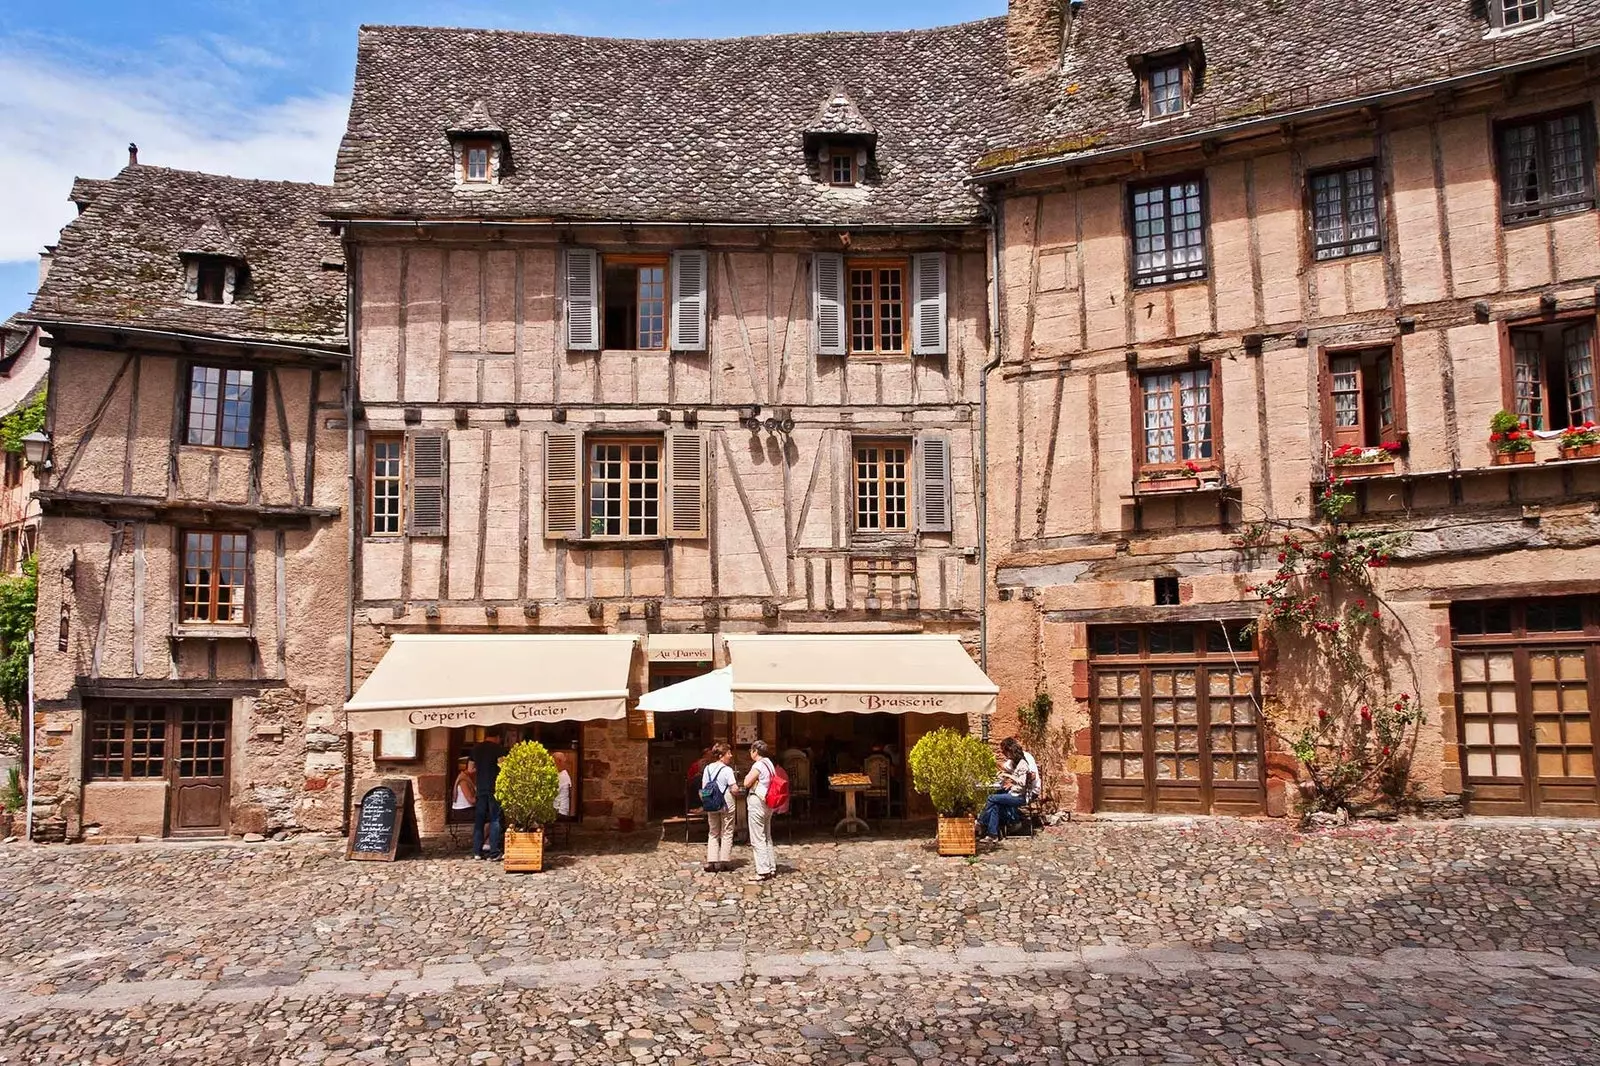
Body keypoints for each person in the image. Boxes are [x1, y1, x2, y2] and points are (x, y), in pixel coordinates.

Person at [978, 737, 1039, 840]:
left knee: (991, 798)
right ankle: (993, 834)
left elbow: (1028, 779)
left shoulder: (1024, 762)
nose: (1003, 754)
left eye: (1004, 752)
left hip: (1024, 794)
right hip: (1017, 791)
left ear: (1010, 750)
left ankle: (981, 822)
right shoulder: (1015, 761)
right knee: (996, 802)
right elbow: (1006, 768)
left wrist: (1013, 780)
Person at [739, 739, 778, 881]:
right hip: (768, 802)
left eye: (751, 750)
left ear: (755, 751)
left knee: (757, 837)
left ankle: (763, 870)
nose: (750, 753)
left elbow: (746, 782)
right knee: (767, 836)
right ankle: (771, 866)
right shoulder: (770, 764)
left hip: (758, 802)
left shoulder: (758, 765)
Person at [469, 730, 507, 859]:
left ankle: (476, 852)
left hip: (480, 788)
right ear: (497, 737)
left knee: (479, 819)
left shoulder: (476, 749)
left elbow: (470, 769)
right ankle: (494, 851)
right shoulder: (498, 749)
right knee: (495, 819)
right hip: (494, 788)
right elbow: (504, 766)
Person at [700, 743, 737, 873]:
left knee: (713, 831)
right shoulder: (727, 770)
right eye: (728, 753)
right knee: (727, 830)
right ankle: (724, 861)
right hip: (726, 801)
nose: (730, 756)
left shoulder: (708, 769)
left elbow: (704, 788)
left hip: (711, 802)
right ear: (721, 756)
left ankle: (712, 860)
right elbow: (734, 788)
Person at [552, 750, 575, 819]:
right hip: (559, 809)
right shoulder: (560, 774)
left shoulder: (563, 775)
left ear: (558, 761)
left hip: (559, 810)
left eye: (553, 762)